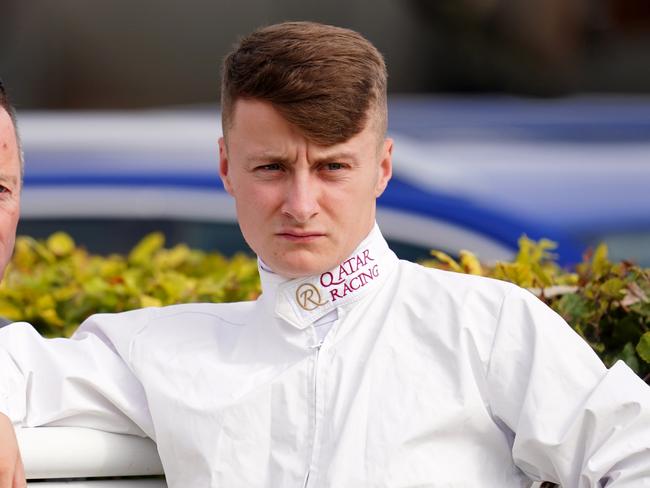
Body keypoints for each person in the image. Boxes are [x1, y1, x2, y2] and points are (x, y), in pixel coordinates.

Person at [1, 22, 650, 488]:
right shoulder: (157, 351)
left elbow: (634, 454)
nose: (301, 203)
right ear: (227, 167)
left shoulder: (484, 326)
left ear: (382, 168)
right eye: (273, 167)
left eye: (334, 166)